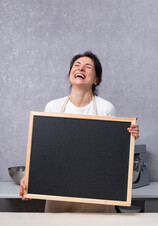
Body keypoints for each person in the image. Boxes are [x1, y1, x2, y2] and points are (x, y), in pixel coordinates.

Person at [20, 51, 139, 213]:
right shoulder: (53, 107)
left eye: (88, 67)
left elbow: (112, 156)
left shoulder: (105, 108)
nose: (81, 68)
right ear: (70, 73)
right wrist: (30, 180)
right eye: (77, 65)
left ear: (96, 79)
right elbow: (44, 153)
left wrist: (128, 137)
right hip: (57, 198)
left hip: (97, 198)